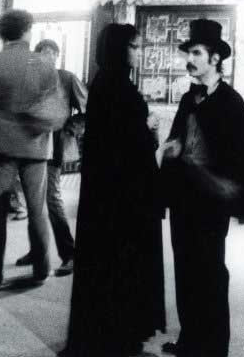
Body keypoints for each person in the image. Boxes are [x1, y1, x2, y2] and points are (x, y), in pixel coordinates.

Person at [160, 19, 244, 357]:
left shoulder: (231, 102)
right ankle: (190, 340)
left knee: (211, 273)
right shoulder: (189, 98)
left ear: (215, 58)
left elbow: (243, 156)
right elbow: (178, 139)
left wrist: (238, 197)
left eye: (196, 53)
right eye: (188, 53)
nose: (190, 59)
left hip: (210, 201)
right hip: (183, 199)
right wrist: (173, 150)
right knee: (185, 270)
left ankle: (214, 348)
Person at [66, 24, 165, 357]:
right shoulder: (116, 86)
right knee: (120, 261)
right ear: (119, 49)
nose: (139, 52)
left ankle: (111, 334)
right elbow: (124, 141)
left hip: (111, 192)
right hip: (122, 195)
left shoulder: (109, 82)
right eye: (134, 47)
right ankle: (117, 336)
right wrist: (147, 128)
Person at [0, 9, 67, 289]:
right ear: (27, 31)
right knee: (37, 210)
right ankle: (41, 269)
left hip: (2, 148)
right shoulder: (43, 65)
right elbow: (59, 111)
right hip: (36, 147)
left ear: (2, 33)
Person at [16, 39, 87, 276]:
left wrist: (70, 129)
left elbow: (87, 109)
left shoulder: (66, 78)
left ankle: (70, 253)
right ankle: (37, 250)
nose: (46, 58)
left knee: (52, 199)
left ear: (57, 56)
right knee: (33, 201)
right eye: (42, 54)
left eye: (51, 53)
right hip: (30, 147)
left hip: (53, 147)